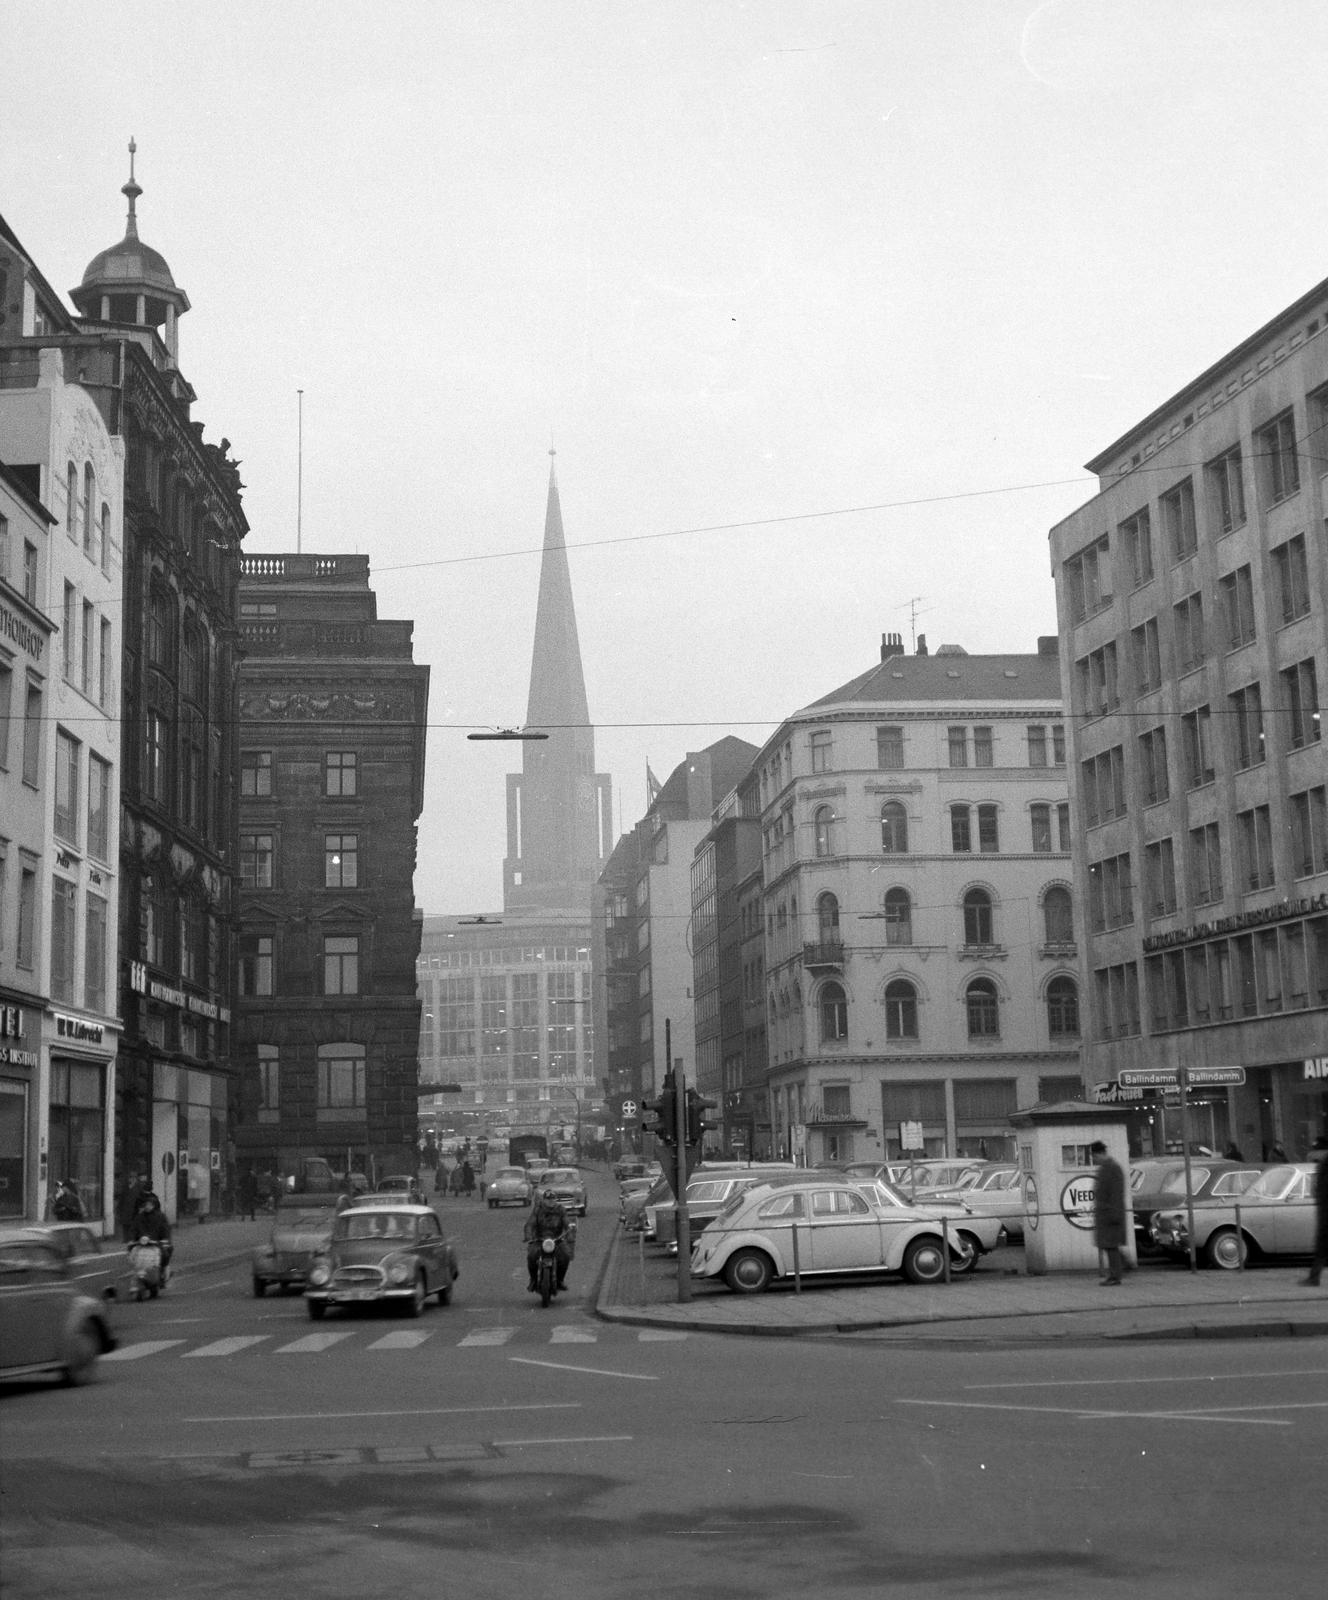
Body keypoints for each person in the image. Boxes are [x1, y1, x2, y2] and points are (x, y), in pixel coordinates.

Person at [1091, 1139, 1127, 1286]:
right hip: (1105, 1214)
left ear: (1100, 1154)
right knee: (1108, 1245)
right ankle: (1120, 1268)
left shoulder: (1112, 1168)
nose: (1094, 1160)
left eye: (1094, 1156)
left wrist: (1115, 1214)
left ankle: (1116, 1275)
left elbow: (1116, 1193)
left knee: (1111, 1245)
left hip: (1110, 1214)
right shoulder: (1106, 1168)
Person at [524, 1187, 572, 1293]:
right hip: (539, 1239)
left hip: (556, 1239)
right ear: (544, 1200)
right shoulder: (538, 1210)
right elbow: (530, 1223)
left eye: (553, 1199)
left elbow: (566, 1222)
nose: (551, 1201)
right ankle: (533, 1280)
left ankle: (560, 1280)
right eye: (548, 1199)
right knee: (531, 1256)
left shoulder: (560, 1210)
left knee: (566, 1256)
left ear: (555, 1200)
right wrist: (528, 1235)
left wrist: (569, 1229)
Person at [1301, 1136, 1328, 1288]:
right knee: (1321, 1249)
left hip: (1325, 1213)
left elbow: (1320, 1191)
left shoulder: (1324, 1164)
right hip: (1324, 1212)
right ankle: (1314, 1277)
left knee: (1321, 1248)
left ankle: (1314, 1277)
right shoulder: (1323, 1163)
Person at [131, 1190, 173, 1273]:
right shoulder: (139, 1217)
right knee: (133, 1254)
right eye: (146, 1205)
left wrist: (165, 1240)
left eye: (150, 1205)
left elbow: (165, 1230)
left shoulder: (160, 1217)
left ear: (154, 1206)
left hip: (156, 1243)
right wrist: (133, 1239)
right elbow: (134, 1229)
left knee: (164, 1254)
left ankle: (163, 1271)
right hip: (142, 1243)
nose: (147, 1207)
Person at [119, 1173, 149, 1242]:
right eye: (130, 1178)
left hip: (134, 1208)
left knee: (133, 1224)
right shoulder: (125, 1187)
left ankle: (132, 1238)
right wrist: (120, 1207)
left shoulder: (139, 1187)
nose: (131, 1179)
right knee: (125, 1224)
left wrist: (142, 1207)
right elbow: (122, 1198)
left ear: (136, 1179)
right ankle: (125, 1239)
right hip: (125, 1208)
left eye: (133, 1178)